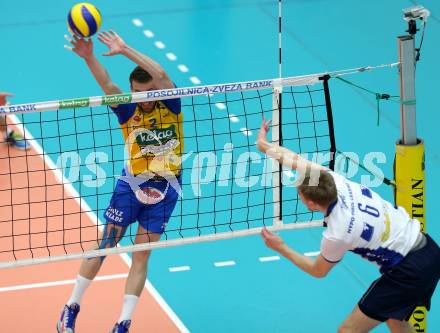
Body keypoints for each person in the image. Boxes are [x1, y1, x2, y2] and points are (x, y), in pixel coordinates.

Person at [256, 118, 440, 333]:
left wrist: (281, 247)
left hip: (408, 271)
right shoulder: (334, 179)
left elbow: (318, 271)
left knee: (348, 331)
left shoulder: (337, 234)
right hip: (429, 249)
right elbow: (293, 159)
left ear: (312, 203)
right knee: (395, 319)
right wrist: (263, 144)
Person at [57, 30, 183, 333]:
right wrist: (89, 57)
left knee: (141, 255)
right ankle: (71, 306)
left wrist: (125, 49)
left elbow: (163, 74)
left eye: (149, 93)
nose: (145, 100)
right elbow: (107, 84)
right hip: (132, 187)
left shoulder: (171, 104)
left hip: (167, 188)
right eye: (139, 93)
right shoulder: (128, 109)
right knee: (107, 243)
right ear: (131, 89)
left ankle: (123, 323)